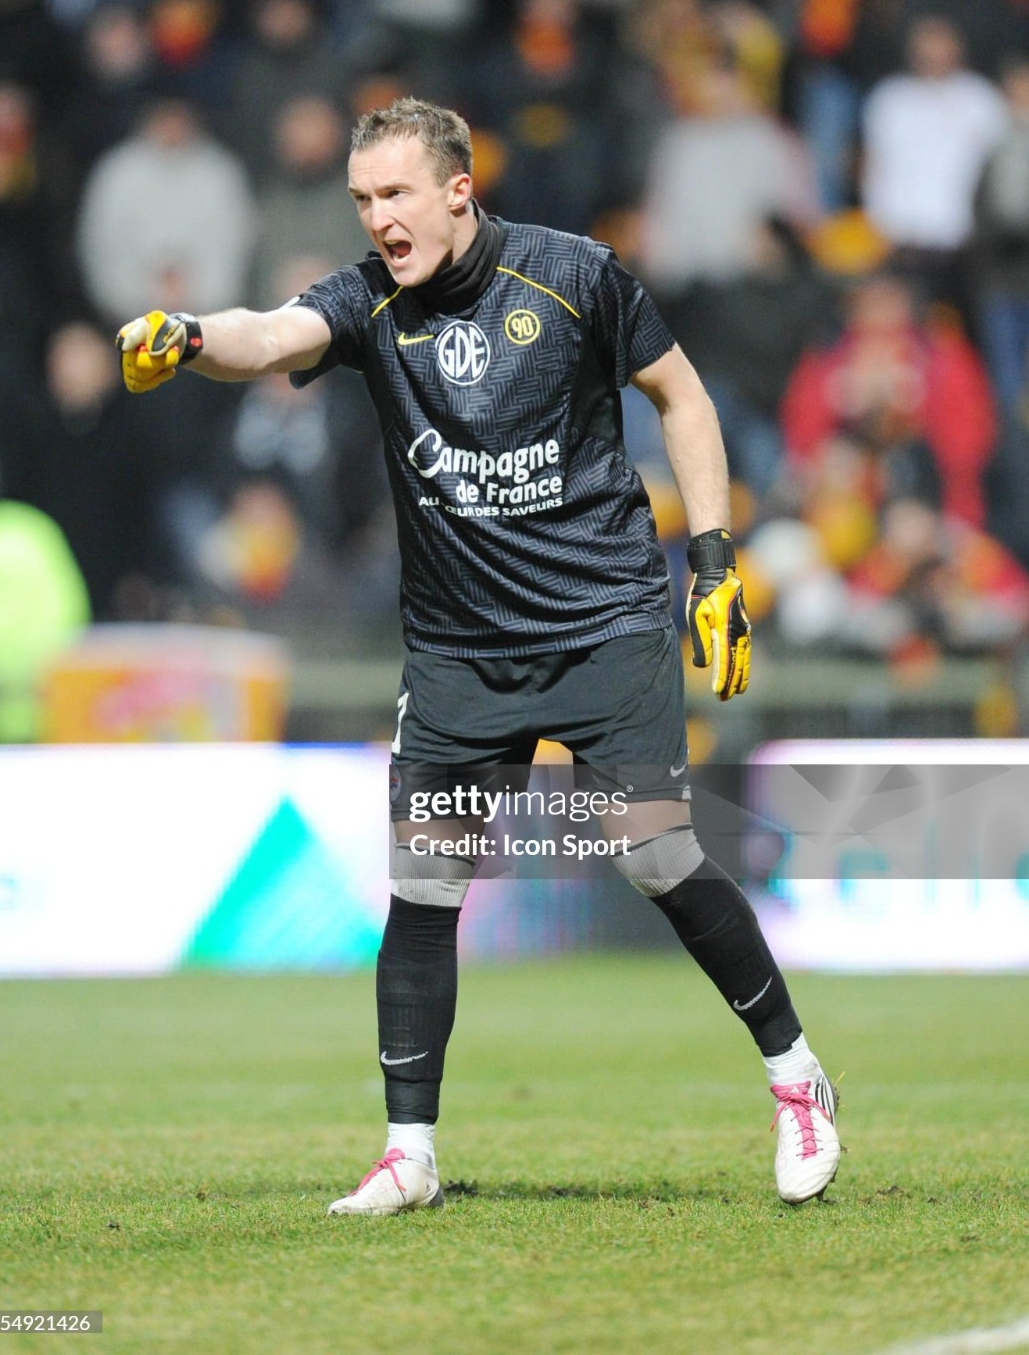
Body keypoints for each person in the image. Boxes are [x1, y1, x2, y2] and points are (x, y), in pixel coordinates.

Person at [115, 96, 840, 1215]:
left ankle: (795, 1076)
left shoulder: (573, 275)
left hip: (601, 618)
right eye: (362, 200)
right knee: (421, 885)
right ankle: (410, 1152)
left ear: (458, 187)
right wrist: (193, 336)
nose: (379, 220)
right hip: (458, 649)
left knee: (652, 859)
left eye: (394, 194)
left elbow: (683, 398)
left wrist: (713, 565)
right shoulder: (366, 299)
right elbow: (270, 332)